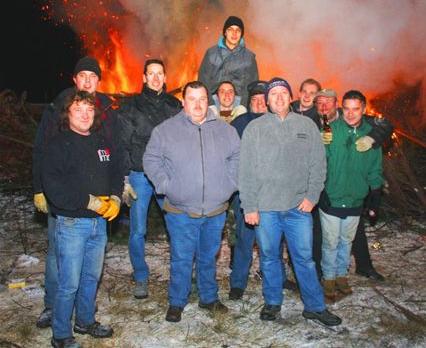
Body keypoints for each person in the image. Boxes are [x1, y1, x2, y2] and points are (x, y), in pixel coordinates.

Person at [239, 77, 341, 326]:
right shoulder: (255, 129)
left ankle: (315, 307)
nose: (279, 98)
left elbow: (319, 165)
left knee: (304, 259)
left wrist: (311, 196)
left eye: (283, 93)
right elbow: (245, 170)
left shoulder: (306, 126)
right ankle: (273, 303)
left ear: (290, 96)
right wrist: (249, 206)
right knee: (269, 257)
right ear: (267, 100)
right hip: (266, 208)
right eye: (274, 94)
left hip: (298, 208)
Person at [33, 56, 121, 329]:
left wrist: (117, 196)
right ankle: (56, 319)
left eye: (92, 76)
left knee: (90, 276)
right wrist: (39, 188)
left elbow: (114, 162)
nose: (84, 112)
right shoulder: (57, 126)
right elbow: (43, 156)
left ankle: (84, 319)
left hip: (97, 221)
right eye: (81, 75)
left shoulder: (106, 116)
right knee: (62, 268)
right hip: (70, 216)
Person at [143, 81, 240, 323]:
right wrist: (166, 185)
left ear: (209, 101)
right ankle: (177, 301)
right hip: (180, 210)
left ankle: (209, 297)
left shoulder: (225, 130)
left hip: (216, 209)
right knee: (182, 257)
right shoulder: (165, 130)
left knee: (209, 256)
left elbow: (238, 158)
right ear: (183, 102)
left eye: (202, 99)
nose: (198, 104)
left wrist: (229, 185)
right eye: (192, 99)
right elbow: (151, 159)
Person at [118, 59, 181, 299]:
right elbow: (123, 142)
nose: (155, 78)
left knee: (176, 226)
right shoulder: (131, 105)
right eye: (151, 74)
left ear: (165, 78)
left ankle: (179, 274)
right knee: (138, 229)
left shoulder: (174, 105)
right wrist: (124, 177)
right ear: (144, 78)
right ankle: (141, 276)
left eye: (159, 74)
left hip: (167, 175)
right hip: (139, 174)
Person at [314, 88, 392, 281]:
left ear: (363, 109)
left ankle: (341, 276)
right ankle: (329, 277)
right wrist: (320, 141)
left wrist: (375, 193)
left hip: (355, 200)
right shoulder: (331, 130)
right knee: (329, 241)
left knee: (346, 241)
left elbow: (374, 167)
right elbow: (319, 161)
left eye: (355, 109)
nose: (350, 113)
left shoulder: (370, 134)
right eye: (347, 108)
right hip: (332, 196)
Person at [228, 80, 296, 300]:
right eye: (254, 100)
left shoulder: (278, 122)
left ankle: (278, 278)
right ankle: (238, 282)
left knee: (274, 242)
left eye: (261, 100)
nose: (258, 103)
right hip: (246, 193)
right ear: (249, 103)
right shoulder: (239, 123)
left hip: (273, 194)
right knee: (244, 240)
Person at [198, 15, 258, 106]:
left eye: (238, 30)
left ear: (241, 34)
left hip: (239, 102)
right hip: (215, 101)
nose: (234, 34)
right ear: (225, 32)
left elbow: (252, 87)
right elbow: (203, 81)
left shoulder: (249, 57)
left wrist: (243, 107)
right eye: (230, 29)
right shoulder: (211, 54)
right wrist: (210, 105)